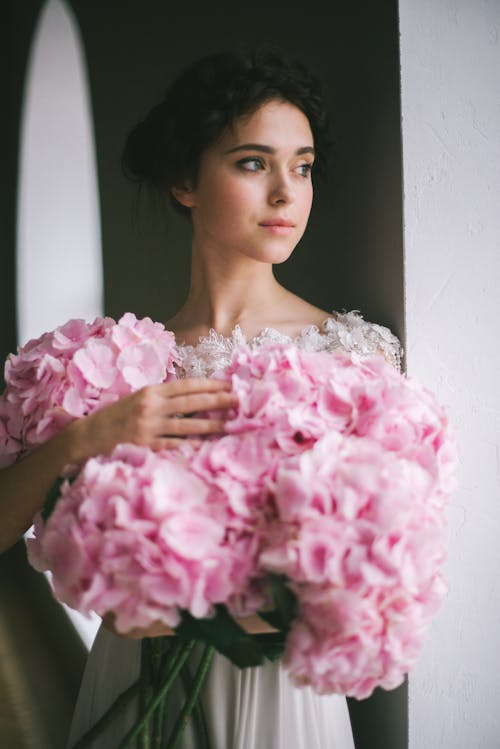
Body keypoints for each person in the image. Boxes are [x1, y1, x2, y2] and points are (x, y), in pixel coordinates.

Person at [0, 47, 401, 748]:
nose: (286, 192)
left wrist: (174, 609)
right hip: (128, 690)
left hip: (277, 700)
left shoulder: (352, 358)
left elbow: (370, 583)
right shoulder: (111, 365)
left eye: (302, 166)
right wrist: (85, 438)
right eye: (254, 162)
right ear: (185, 180)